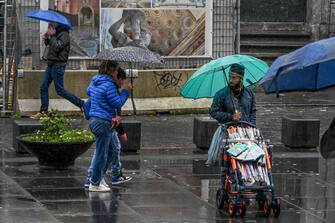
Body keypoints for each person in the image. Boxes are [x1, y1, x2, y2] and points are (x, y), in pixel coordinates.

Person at [86, 60, 131, 192]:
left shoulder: (95, 82)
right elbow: (117, 103)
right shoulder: (109, 84)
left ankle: (97, 179)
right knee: (101, 154)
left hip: (95, 120)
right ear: (111, 71)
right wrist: (126, 92)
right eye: (116, 71)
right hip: (103, 122)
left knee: (111, 150)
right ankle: (94, 182)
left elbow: (89, 92)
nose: (117, 73)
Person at [30, 22, 86, 119]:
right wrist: (47, 38)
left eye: (51, 26)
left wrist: (52, 36)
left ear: (56, 25)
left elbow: (57, 47)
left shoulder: (64, 35)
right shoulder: (57, 34)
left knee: (60, 90)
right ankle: (43, 112)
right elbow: (51, 45)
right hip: (51, 65)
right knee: (43, 87)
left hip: (58, 66)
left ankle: (82, 104)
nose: (50, 27)